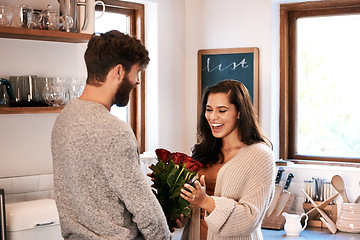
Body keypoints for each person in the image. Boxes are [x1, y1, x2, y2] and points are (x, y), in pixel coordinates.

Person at [51, 30, 171, 240]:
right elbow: (144, 209)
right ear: (118, 71)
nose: (137, 81)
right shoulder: (113, 129)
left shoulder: (64, 118)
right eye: (136, 72)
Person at [180, 80, 275, 240]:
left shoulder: (260, 155)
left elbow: (250, 218)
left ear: (239, 112)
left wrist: (206, 201)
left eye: (222, 110)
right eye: (209, 109)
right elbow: (188, 209)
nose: (212, 117)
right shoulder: (201, 151)